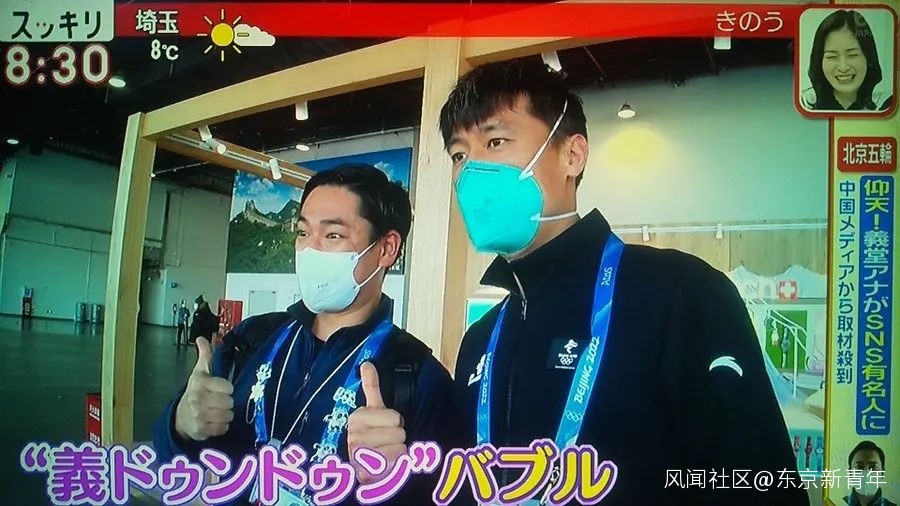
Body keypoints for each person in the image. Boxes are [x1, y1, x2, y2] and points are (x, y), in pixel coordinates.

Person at [350, 60, 807, 505]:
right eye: (459, 155)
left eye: (496, 141)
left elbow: (756, 483)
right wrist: (399, 472)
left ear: (572, 155)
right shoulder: (481, 340)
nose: (472, 171)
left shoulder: (680, 294)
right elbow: (467, 485)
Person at [153, 164, 456, 505]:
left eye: (333, 236)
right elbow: (171, 459)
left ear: (386, 249)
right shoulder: (252, 339)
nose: (310, 251)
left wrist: (395, 481)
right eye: (302, 233)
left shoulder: (419, 379)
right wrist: (180, 423)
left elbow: (444, 493)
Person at [802, 9, 893, 111]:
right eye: (831, 57)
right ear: (819, 62)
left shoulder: (888, 104)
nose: (843, 67)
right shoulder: (805, 103)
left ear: (869, 58)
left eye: (852, 55)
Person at [845, 441, 896, 506]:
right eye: (859, 467)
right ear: (850, 473)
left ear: (882, 473)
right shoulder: (836, 502)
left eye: (873, 467)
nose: (866, 473)